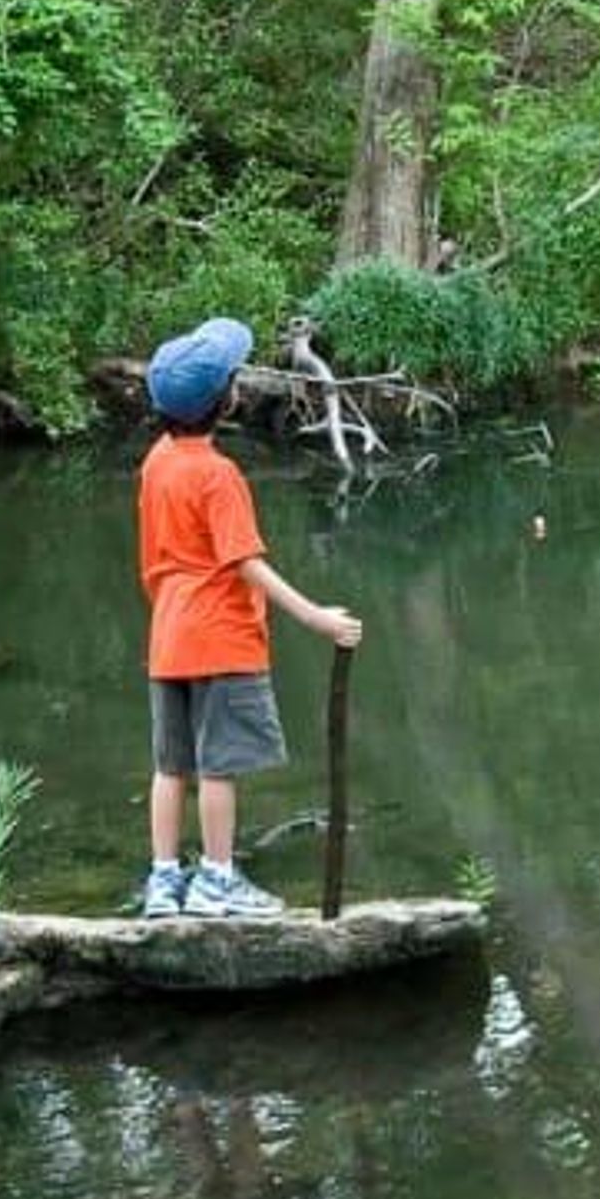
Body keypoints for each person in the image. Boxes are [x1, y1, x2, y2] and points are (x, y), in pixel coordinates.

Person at [137, 317, 363, 918]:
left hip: (168, 637)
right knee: (218, 768)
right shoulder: (218, 475)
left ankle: (163, 880)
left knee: (170, 766)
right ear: (226, 400)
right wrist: (317, 618)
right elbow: (246, 564)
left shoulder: (157, 461)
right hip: (219, 638)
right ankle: (216, 880)